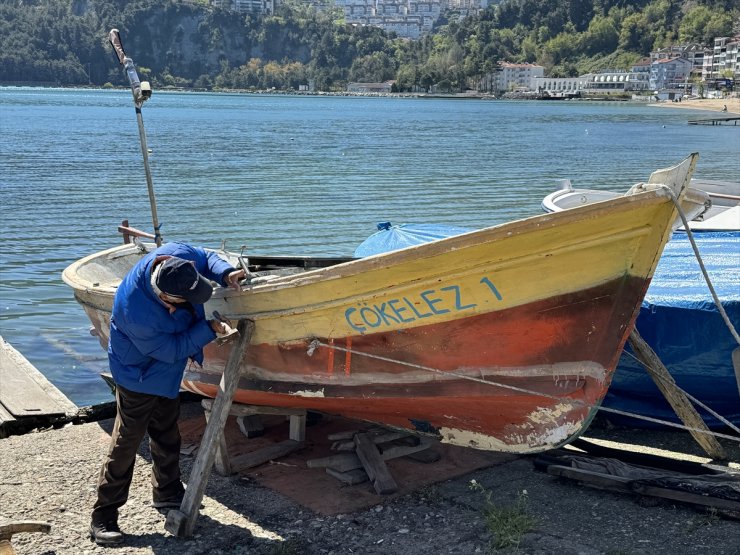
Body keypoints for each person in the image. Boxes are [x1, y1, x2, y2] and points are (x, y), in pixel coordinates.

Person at [89, 242, 245, 545]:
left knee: (167, 433)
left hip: (167, 372)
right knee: (126, 443)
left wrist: (225, 273)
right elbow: (171, 350)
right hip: (138, 375)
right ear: (166, 300)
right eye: (187, 299)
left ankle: (168, 493)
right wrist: (210, 329)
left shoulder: (176, 257)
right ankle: (103, 515)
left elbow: (206, 256)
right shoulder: (137, 313)